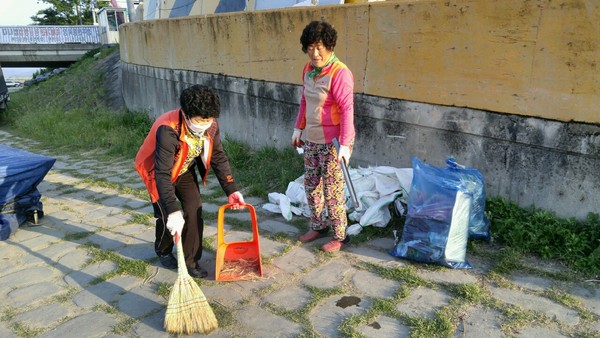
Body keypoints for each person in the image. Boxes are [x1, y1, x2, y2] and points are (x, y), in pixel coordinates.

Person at [135, 84, 245, 278]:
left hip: (183, 168)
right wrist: (172, 208)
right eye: (200, 120)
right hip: (157, 172)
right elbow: (162, 173)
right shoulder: (167, 129)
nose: (205, 124)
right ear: (185, 114)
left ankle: (190, 262)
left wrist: (231, 189)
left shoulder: (211, 125)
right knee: (167, 217)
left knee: (194, 209)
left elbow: (218, 156)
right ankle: (163, 248)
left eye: (209, 119)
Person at [291, 21, 356, 252]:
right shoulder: (308, 70)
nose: (315, 53)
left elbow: (347, 109)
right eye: (310, 47)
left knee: (332, 189)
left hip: (334, 143)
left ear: (330, 46)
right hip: (312, 138)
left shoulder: (340, 73)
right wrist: (299, 128)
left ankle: (341, 235)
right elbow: (304, 100)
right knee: (311, 184)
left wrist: (346, 145)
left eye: (319, 47)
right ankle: (318, 225)